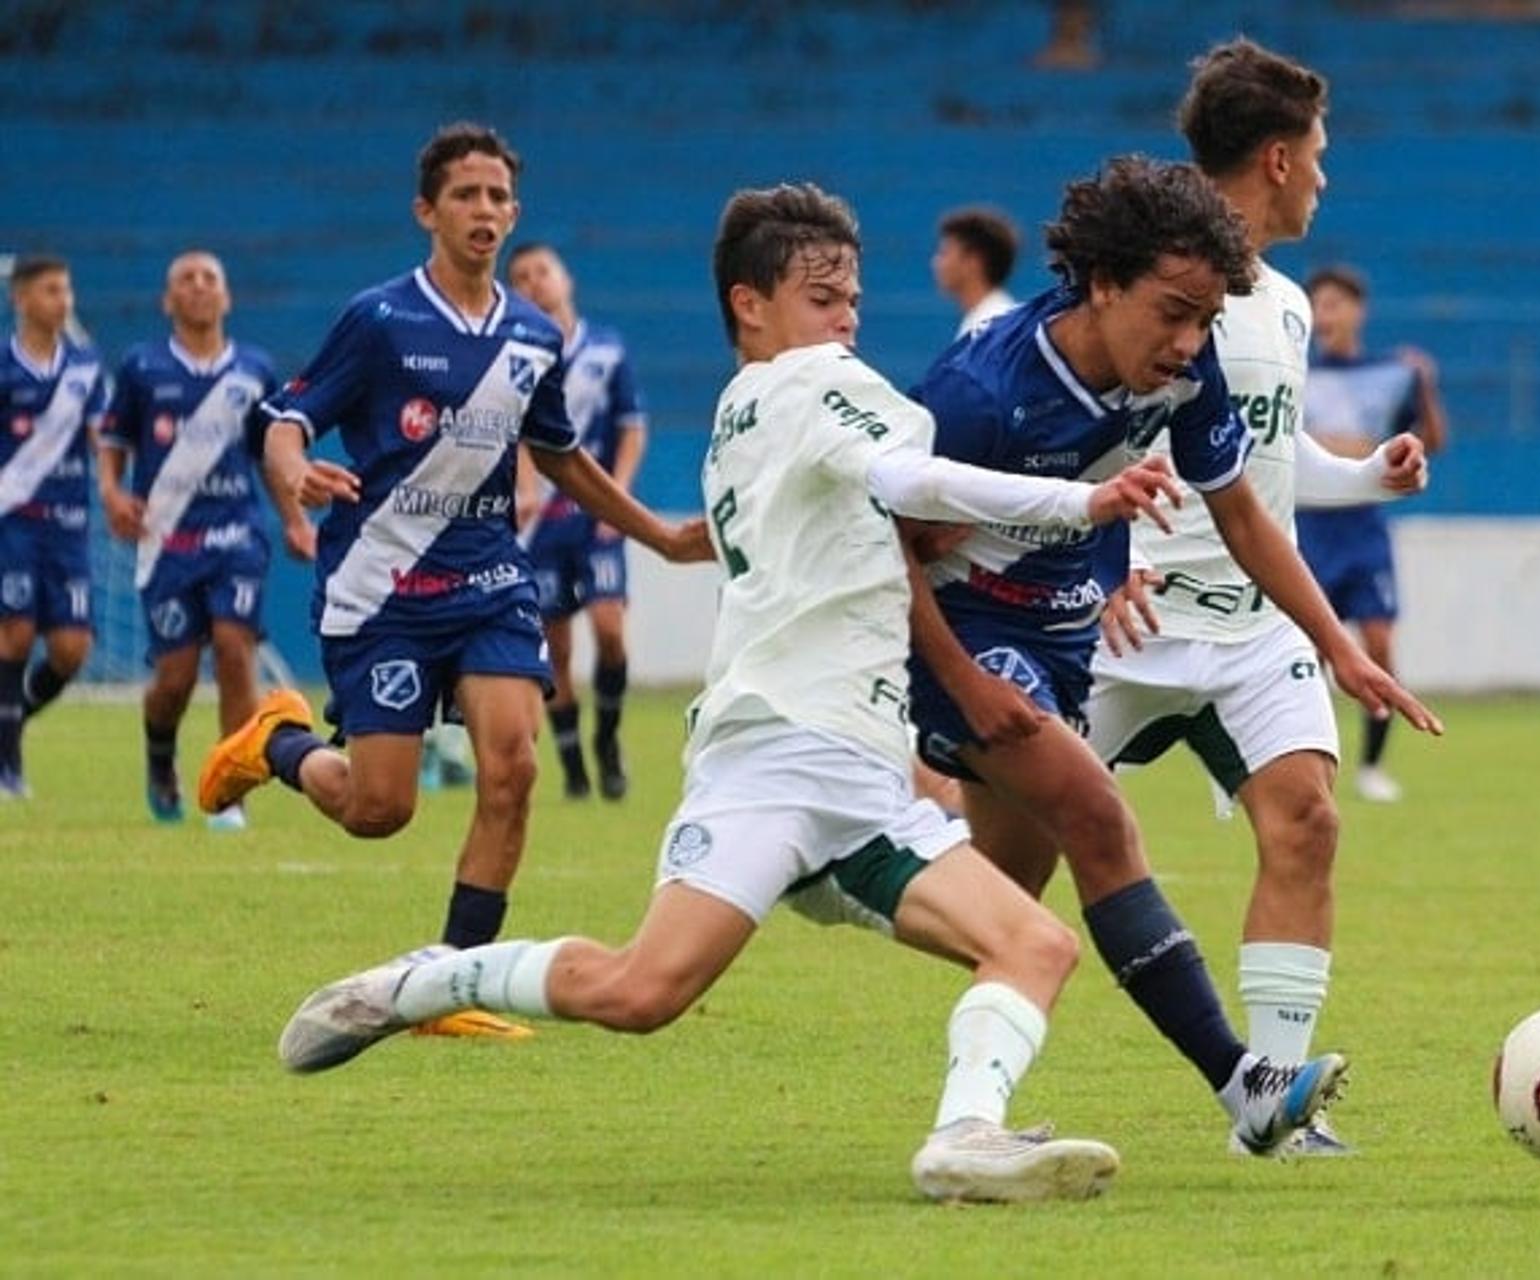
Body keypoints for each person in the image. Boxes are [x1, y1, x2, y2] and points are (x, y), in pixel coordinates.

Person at [279, 181, 1184, 1202]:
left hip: (859, 773)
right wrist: (1086, 501)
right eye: (820, 292)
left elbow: (893, 511)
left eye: (853, 294)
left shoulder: (751, 406)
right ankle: (425, 979)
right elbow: (918, 485)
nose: (846, 314)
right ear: (750, 305)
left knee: (1034, 940)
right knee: (640, 990)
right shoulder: (809, 386)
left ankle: (966, 1135)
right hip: (778, 759)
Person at [905, 154, 1443, 1157]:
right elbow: (883, 535)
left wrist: (1339, 649)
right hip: (967, 642)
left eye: (1206, 319)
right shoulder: (981, 387)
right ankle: (1246, 1085)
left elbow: (1241, 510)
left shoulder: (1185, 372)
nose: (1191, 341)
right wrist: (964, 679)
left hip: (1067, 637)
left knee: (1006, 913)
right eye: (1174, 312)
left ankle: (849, 874)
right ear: (1102, 282)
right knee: (1095, 824)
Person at [198, 122, 709, 1042]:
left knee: (511, 768)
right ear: (426, 211)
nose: (486, 212)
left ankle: (449, 983)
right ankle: (275, 743)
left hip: (487, 576)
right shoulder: (380, 319)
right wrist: (293, 475)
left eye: (499, 197)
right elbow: (285, 420)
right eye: (466, 195)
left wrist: (661, 537)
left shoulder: (530, 333)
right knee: (378, 809)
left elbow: (561, 457)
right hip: (382, 584)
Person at [1087, 40, 1430, 1156]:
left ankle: (1271, 1103)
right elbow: (1066, 440)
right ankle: (972, 1094)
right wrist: (1095, 567)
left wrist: (1365, 474)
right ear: (1278, 159)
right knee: (1002, 855)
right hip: (1130, 622)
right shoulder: (1157, 287)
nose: (1327, 178)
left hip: (1252, 629)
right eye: (1321, 156)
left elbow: (1257, 470)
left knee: (1308, 820)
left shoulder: (1280, 304)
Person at [98, 251, 301, 827]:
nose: (198, 287)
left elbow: (272, 454)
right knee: (176, 677)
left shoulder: (254, 371)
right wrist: (112, 494)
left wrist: (293, 521)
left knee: (237, 651)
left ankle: (228, 792)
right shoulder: (142, 368)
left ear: (227, 297)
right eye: (185, 280)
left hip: (236, 536)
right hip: (165, 544)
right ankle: (160, 757)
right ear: (168, 300)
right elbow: (112, 440)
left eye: (210, 278)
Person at [1295, 263, 1449, 803]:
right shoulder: (1295, 373)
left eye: (1335, 304)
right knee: (1305, 655)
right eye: (1318, 304)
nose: (1325, 315)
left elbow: (1431, 440)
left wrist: (1425, 385)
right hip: (1309, 527)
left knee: (1379, 646)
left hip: (1363, 530)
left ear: (1357, 311)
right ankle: (1303, 765)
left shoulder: (1390, 374)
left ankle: (1372, 767)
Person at [505, 242, 647, 800]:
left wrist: (619, 497)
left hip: (596, 514)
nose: (534, 283)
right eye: (521, 278)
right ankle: (574, 770)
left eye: (542, 271)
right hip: (544, 523)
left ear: (565, 279)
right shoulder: (519, 355)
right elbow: (514, 430)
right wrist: (524, 491)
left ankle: (607, 740)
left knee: (610, 630)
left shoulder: (607, 350)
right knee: (555, 646)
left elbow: (632, 427)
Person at [0, 254, 109, 799]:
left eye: (66, 290)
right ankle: (9, 764)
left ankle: (8, 723)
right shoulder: (3, 363)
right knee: (15, 629)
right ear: (21, 299)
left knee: (70, 649)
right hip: (12, 517)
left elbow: (102, 440)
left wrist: (118, 487)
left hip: (67, 526)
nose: (62, 300)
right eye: (49, 291)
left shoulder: (85, 367)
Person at [933, 208, 1020, 338]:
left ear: (973, 261)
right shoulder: (984, 320)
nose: (936, 262)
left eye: (945, 253)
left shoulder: (991, 326)